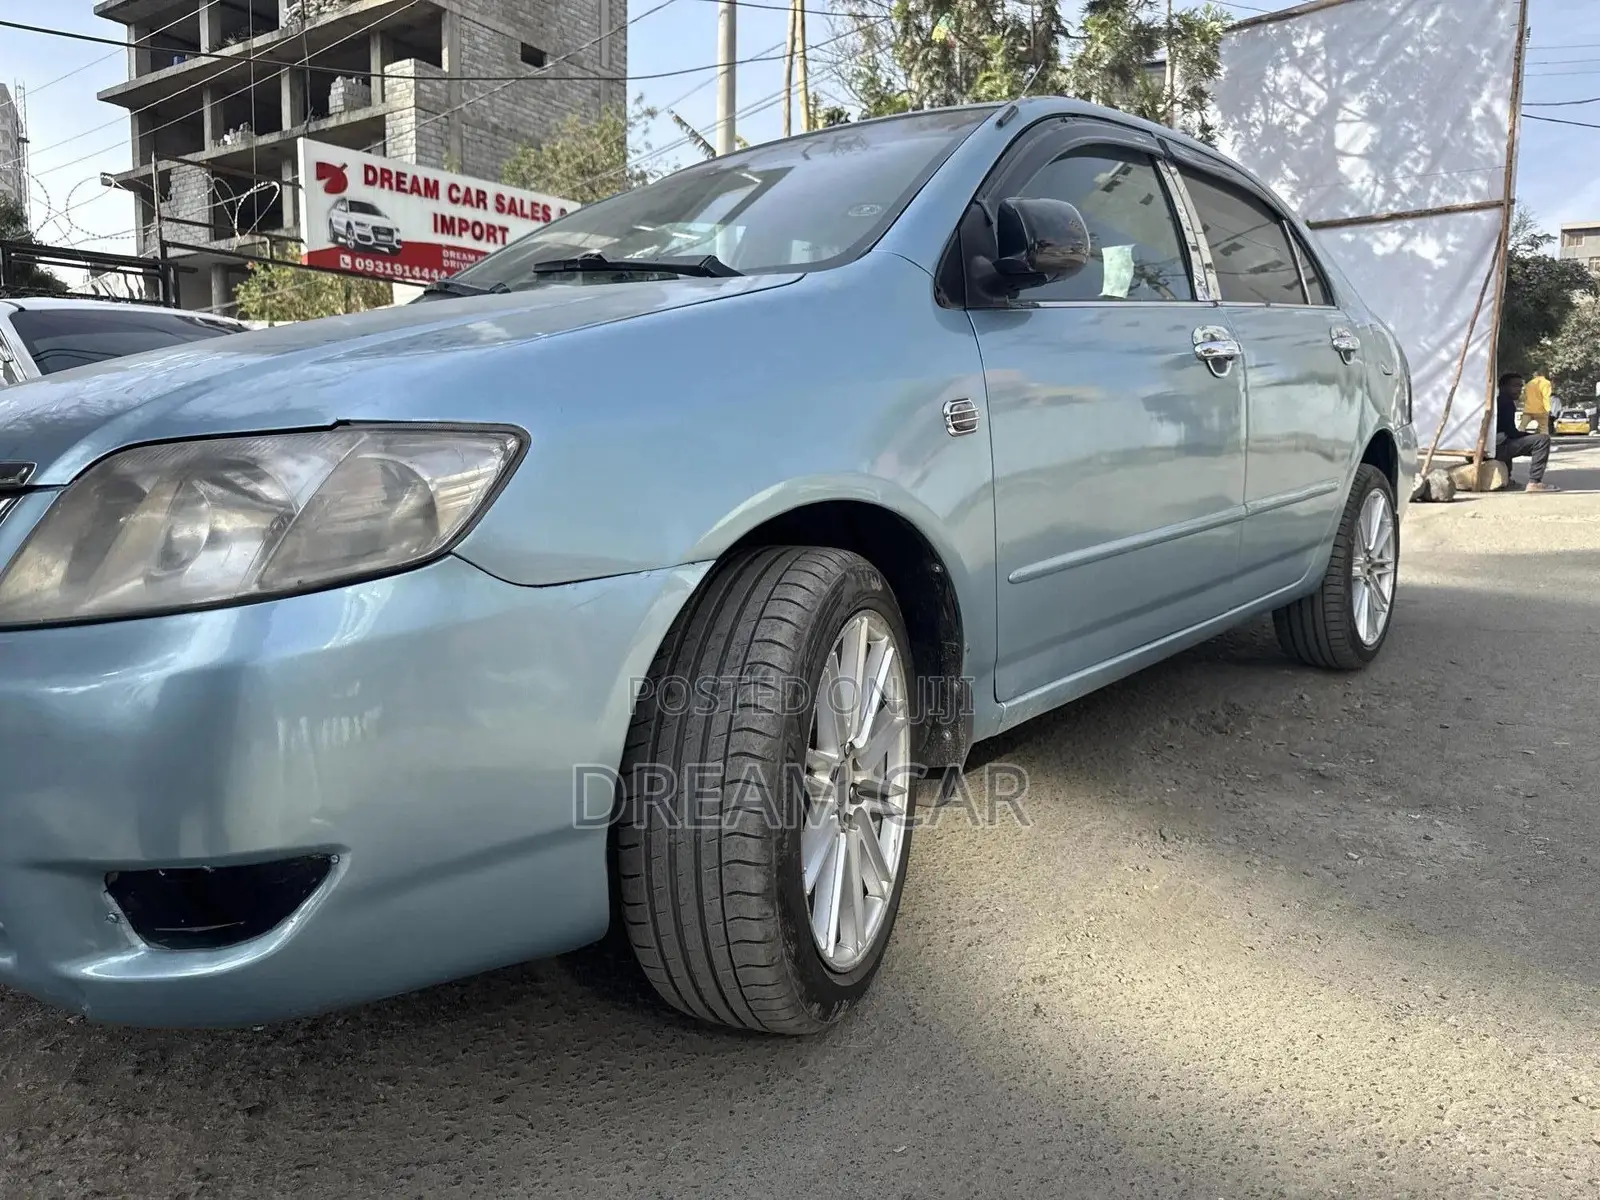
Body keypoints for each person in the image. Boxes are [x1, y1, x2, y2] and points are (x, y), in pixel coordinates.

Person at [1496, 372, 1557, 491]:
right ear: (1503, 387)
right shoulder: (1505, 402)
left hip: (1494, 446)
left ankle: (1507, 480)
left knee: (1509, 441)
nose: (1519, 389)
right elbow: (1512, 433)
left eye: (1520, 386)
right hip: (1496, 449)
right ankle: (1535, 482)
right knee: (1542, 440)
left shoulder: (1500, 401)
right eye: (1515, 386)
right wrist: (1531, 436)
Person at [1522, 370, 1553, 436]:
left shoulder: (1530, 383)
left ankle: (1515, 441)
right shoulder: (1546, 383)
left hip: (1528, 409)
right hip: (1541, 410)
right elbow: (1545, 396)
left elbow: (1524, 397)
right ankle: (1544, 443)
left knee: (1522, 427)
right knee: (1543, 429)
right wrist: (1548, 409)